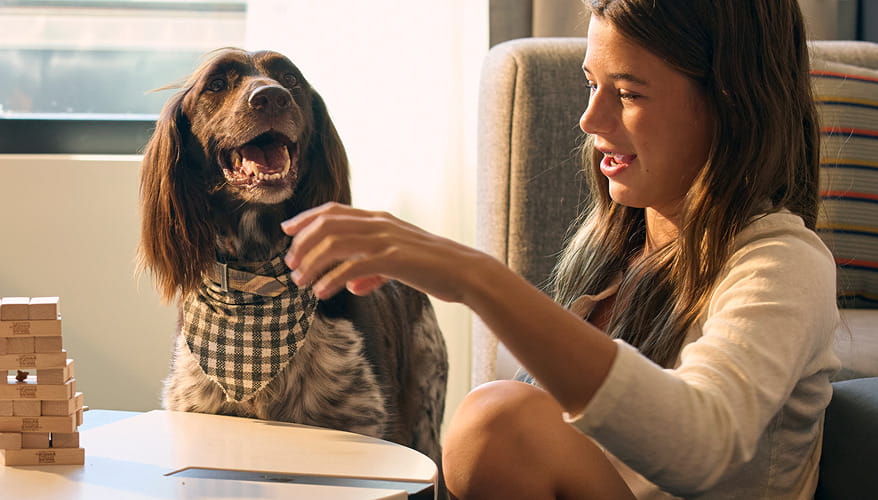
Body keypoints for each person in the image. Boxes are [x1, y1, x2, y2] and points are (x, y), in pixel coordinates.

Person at [280, 0, 841, 498]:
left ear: (731, 100)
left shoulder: (784, 261)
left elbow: (704, 443)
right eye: (590, 84)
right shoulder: (618, 248)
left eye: (626, 93)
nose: (590, 118)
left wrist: (476, 278)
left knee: (501, 422)